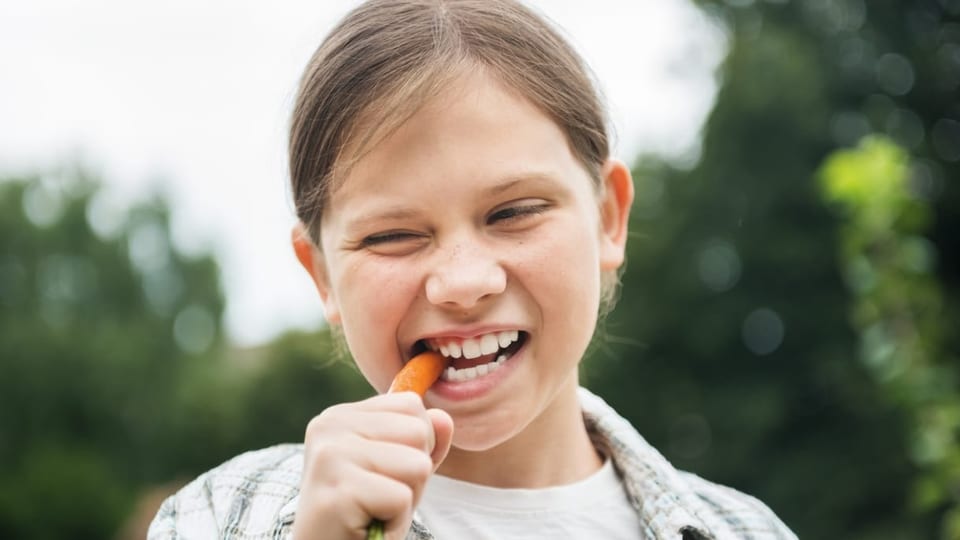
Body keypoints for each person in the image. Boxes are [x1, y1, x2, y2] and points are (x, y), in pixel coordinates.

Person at [149, 1, 796, 538]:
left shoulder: (746, 530)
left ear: (608, 218)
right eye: (393, 235)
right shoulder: (221, 516)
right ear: (321, 275)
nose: (462, 283)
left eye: (513, 212)